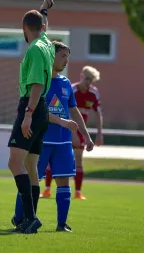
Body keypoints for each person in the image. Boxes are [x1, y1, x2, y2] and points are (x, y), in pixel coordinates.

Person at [12, 41, 95, 232]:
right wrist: (62, 122)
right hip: (40, 141)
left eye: (68, 56)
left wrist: (87, 136)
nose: (67, 60)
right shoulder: (40, 82)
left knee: (64, 181)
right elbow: (39, 112)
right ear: (52, 56)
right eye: (63, 56)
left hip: (63, 143)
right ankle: (21, 219)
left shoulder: (66, 84)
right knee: (31, 180)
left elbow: (73, 111)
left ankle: (61, 224)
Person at [7, 0, 55, 234]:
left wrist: (27, 114)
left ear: (25, 28)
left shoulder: (35, 49)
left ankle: (30, 217)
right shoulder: (45, 42)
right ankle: (30, 219)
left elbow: (36, 84)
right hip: (42, 109)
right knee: (31, 166)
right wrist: (44, 9)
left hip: (32, 106)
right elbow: (43, 25)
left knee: (14, 163)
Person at [44, 66, 104, 200]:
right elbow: (67, 111)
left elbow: (98, 114)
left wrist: (99, 133)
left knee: (78, 160)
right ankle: (47, 189)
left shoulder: (94, 93)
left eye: (91, 80)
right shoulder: (71, 89)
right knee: (53, 159)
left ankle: (78, 192)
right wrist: (73, 133)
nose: (88, 82)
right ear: (81, 76)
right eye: (87, 78)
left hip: (79, 130)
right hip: (64, 129)